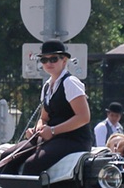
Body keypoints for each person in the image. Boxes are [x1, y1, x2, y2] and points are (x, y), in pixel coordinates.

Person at [17, 42, 92, 174]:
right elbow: (44, 118)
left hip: (73, 140)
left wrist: (52, 130)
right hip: (53, 138)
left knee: (31, 165)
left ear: (64, 60)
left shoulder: (70, 82)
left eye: (53, 59)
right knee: (8, 156)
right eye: (44, 60)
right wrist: (36, 129)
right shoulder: (47, 86)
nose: (48, 63)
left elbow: (84, 117)